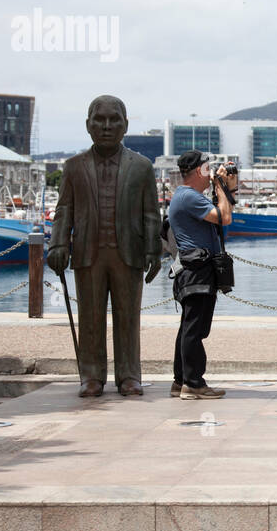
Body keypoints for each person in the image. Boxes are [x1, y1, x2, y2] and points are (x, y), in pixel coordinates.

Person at [48, 95, 161, 397]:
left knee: (128, 316)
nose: (107, 126)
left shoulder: (142, 167)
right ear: (88, 125)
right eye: (100, 120)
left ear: (125, 126)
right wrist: (58, 243)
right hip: (88, 252)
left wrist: (153, 250)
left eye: (115, 120)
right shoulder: (73, 167)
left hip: (129, 252)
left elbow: (151, 213)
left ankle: (129, 375)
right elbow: (64, 210)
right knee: (91, 316)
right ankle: (92, 376)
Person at [166, 150, 233, 400]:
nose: (210, 172)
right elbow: (225, 218)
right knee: (195, 329)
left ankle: (180, 380)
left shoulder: (187, 197)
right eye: (207, 168)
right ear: (198, 171)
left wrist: (225, 190)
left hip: (193, 269)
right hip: (197, 271)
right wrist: (221, 186)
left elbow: (220, 214)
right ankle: (193, 383)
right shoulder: (189, 197)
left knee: (189, 327)